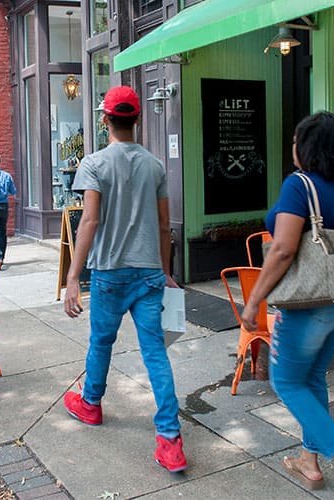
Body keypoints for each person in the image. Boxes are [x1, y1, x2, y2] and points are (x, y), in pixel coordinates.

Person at [240, 111, 334, 500]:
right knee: (313, 378)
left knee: (286, 382)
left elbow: (283, 249)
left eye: (295, 141)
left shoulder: (297, 185)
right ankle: (310, 460)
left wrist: (254, 300)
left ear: (305, 148)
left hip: (309, 303)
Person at [62, 86, 187, 473]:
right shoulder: (154, 165)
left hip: (110, 273)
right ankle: (170, 440)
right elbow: (166, 224)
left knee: (101, 343)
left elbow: (90, 220)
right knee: (155, 352)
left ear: (105, 121)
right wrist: (166, 271)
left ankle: (92, 404)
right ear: (137, 120)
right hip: (149, 272)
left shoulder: (94, 163)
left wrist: (71, 277)